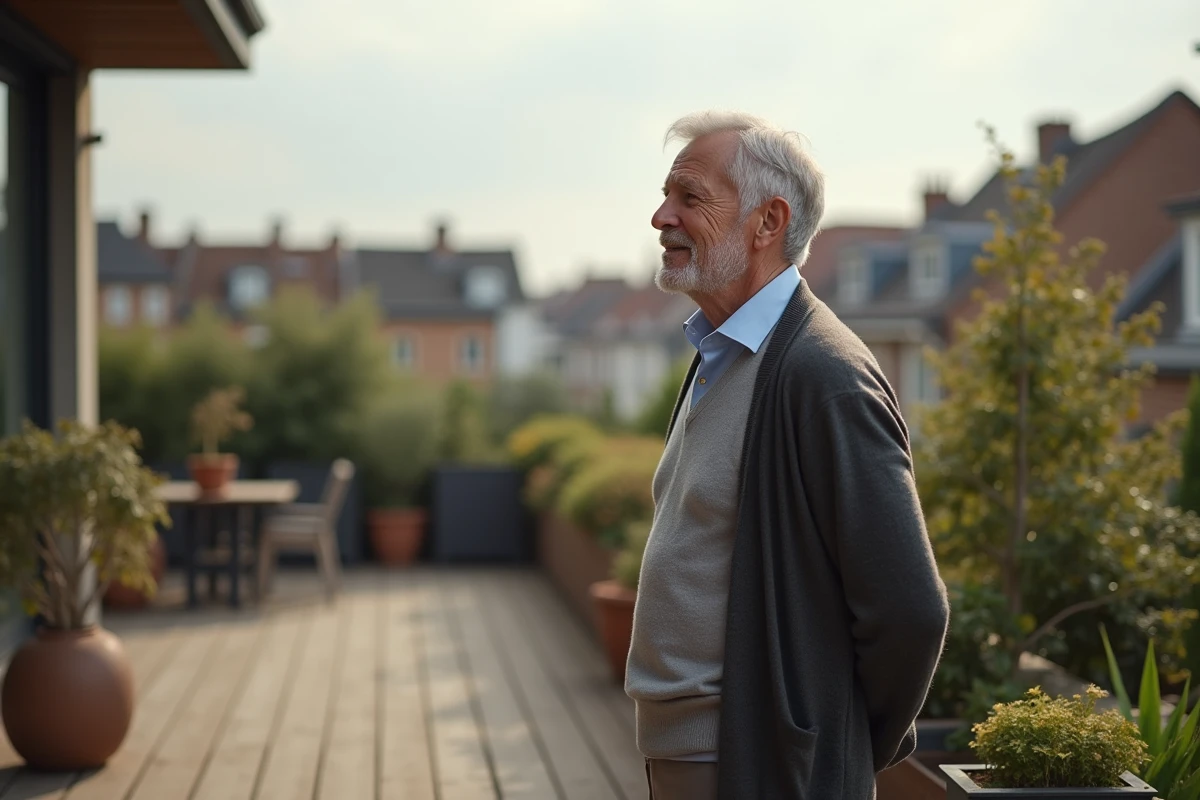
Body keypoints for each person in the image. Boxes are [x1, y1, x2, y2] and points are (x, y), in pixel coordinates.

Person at [625, 111, 950, 800]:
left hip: (756, 762)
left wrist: (836, 736)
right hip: (695, 751)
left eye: (689, 196)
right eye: (665, 195)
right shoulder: (723, 352)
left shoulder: (822, 376)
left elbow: (910, 610)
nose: (661, 216)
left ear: (767, 222)